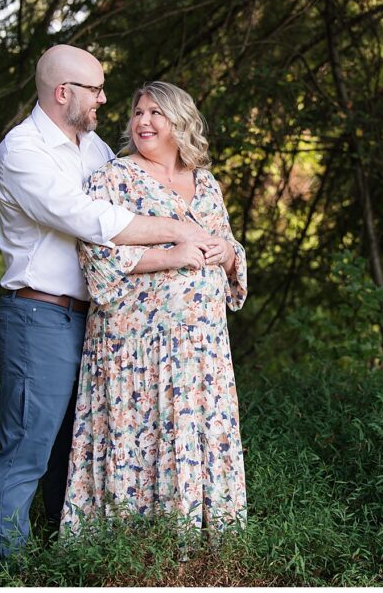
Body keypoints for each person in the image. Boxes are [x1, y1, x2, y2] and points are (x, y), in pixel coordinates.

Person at [0, 47, 215, 563]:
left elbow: (132, 213)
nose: (105, 100)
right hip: (38, 315)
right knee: (28, 447)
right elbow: (92, 220)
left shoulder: (93, 151)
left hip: (93, 319)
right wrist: (182, 231)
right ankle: (10, 569)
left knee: (76, 446)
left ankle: (62, 558)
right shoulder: (23, 151)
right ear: (63, 92)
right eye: (95, 89)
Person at [60, 81, 248, 542]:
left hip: (202, 351)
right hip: (134, 347)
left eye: (154, 113)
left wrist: (225, 252)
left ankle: (205, 553)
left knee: (194, 434)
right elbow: (96, 256)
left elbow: (231, 251)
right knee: (139, 437)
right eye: (137, 112)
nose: (142, 121)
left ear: (179, 121)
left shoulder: (206, 183)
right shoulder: (113, 177)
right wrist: (173, 255)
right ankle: (129, 555)